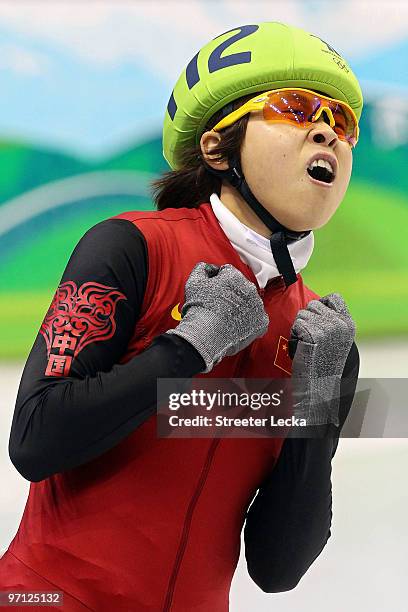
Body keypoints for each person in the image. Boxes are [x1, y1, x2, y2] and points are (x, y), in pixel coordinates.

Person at [0, 21, 362, 611]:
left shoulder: (318, 333)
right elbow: (35, 441)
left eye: (341, 122)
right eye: (294, 109)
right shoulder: (130, 247)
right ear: (217, 149)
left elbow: (277, 567)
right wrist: (186, 348)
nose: (327, 130)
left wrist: (317, 408)